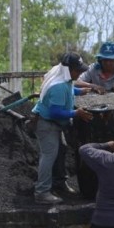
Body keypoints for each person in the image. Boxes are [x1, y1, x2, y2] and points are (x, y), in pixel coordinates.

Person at [31, 53, 94, 204]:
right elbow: (55, 112)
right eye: (77, 70)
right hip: (47, 123)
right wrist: (76, 113)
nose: (79, 73)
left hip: (54, 123)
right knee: (49, 155)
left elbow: (69, 88)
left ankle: (59, 182)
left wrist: (80, 91)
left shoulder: (62, 75)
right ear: (68, 69)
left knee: (62, 149)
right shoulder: (58, 87)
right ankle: (42, 192)